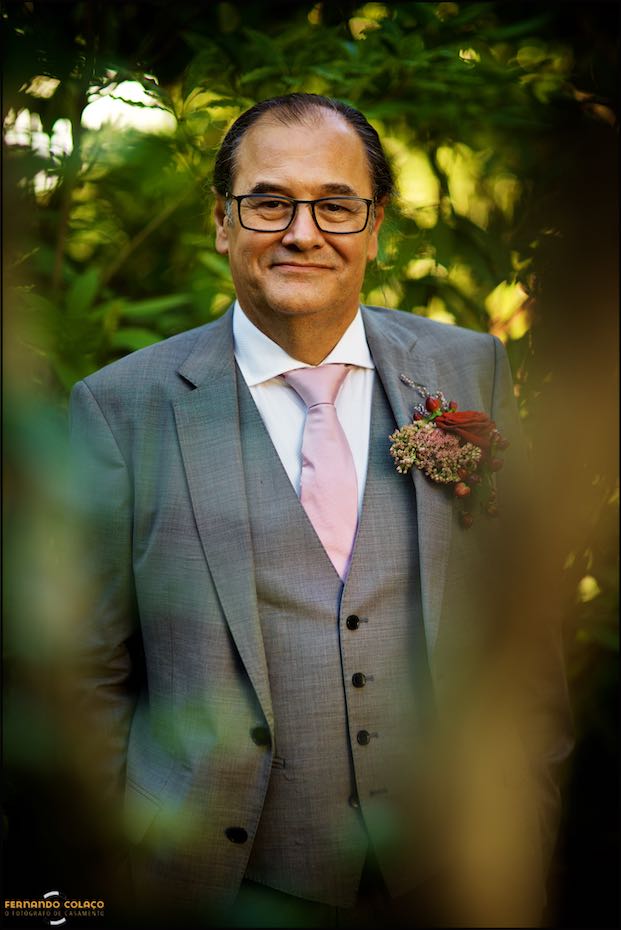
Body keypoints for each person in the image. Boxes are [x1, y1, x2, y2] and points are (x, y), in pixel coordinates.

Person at [69, 93, 573, 928]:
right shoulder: (122, 408)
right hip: (217, 887)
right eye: (269, 201)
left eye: (335, 205)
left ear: (373, 226)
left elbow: (515, 631)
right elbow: (89, 678)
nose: (302, 232)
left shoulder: (465, 367)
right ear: (223, 223)